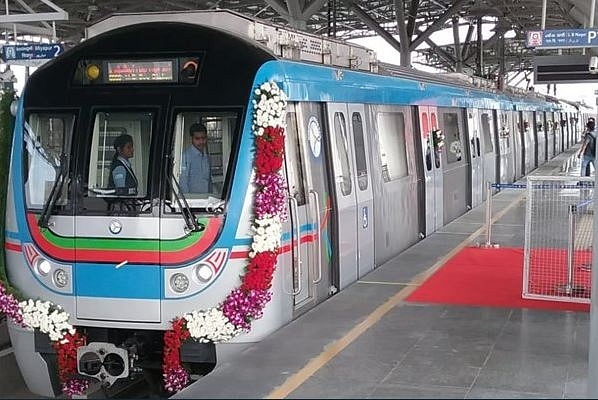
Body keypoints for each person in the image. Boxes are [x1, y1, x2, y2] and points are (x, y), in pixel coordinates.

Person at [180, 122, 212, 194]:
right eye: (197, 138)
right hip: (192, 202)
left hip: (207, 201)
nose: (201, 141)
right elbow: (183, 182)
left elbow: (209, 181)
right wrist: (189, 201)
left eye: (203, 138)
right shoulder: (186, 156)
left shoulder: (207, 157)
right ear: (191, 138)